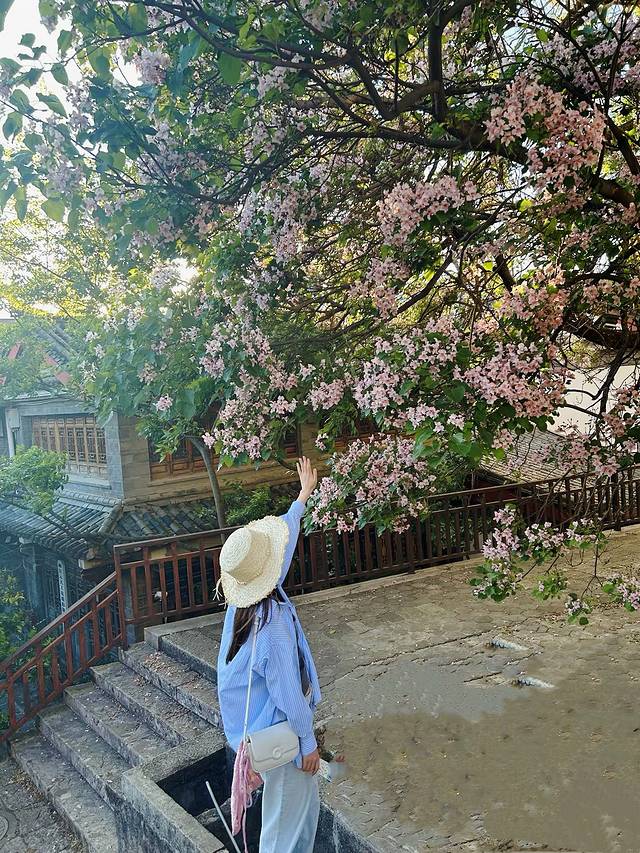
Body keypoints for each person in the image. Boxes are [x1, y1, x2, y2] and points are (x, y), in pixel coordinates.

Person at [217, 456, 321, 853]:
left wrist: (302, 499)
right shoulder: (271, 624)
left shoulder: (243, 604)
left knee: (295, 818)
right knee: (285, 830)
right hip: (281, 733)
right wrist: (308, 742)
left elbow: (285, 542)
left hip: (255, 731)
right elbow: (288, 693)